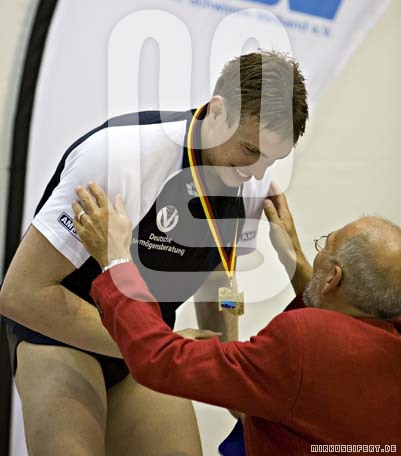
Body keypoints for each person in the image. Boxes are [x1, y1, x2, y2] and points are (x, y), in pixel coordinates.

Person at [0, 50, 308, 456]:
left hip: (146, 344)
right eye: (251, 150)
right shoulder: (121, 155)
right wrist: (156, 344)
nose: (258, 172)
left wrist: (227, 371)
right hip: (63, 333)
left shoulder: (251, 182)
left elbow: (221, 280)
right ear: (217, 111)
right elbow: (21, 294)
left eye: (273, 159)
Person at [73, 182, 401, 455]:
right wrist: (293, 257)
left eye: (323, 247)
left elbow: (160, 359)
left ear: (333, 279)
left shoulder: (303, 341)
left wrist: (116, 261)